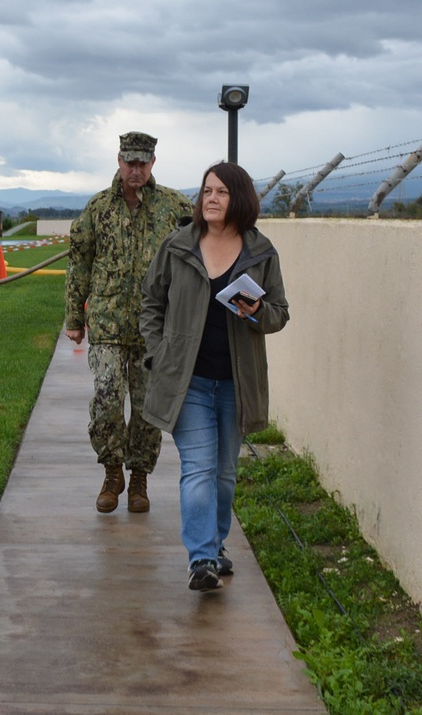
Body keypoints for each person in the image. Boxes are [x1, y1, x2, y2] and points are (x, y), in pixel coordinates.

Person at [140, 161, 289, 591]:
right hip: (189, 383)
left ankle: (216, 544)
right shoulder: (177, 245)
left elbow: (280, 315)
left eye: (221, 192)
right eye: (206, 191)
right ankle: (201, 558)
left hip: (236, 385)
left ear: (238, 198)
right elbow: (151, 302)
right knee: (199, 468)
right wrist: (157, 354)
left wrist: (258, 311)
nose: (211, 199)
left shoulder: (261, 253)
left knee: (225, 473)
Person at [64, 132, 193, 514]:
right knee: (106, 397)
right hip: (106, 323)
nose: (135, 170)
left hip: (155, 328)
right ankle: (111, 469)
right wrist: (74, 317)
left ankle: (139, 478)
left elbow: (199, 253)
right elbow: (80, 262)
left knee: (146, 407)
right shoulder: (99, 207)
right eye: (129, 162)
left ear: (153, 163)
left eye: (142, 163)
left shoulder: (175, 206)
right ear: (118, 161)